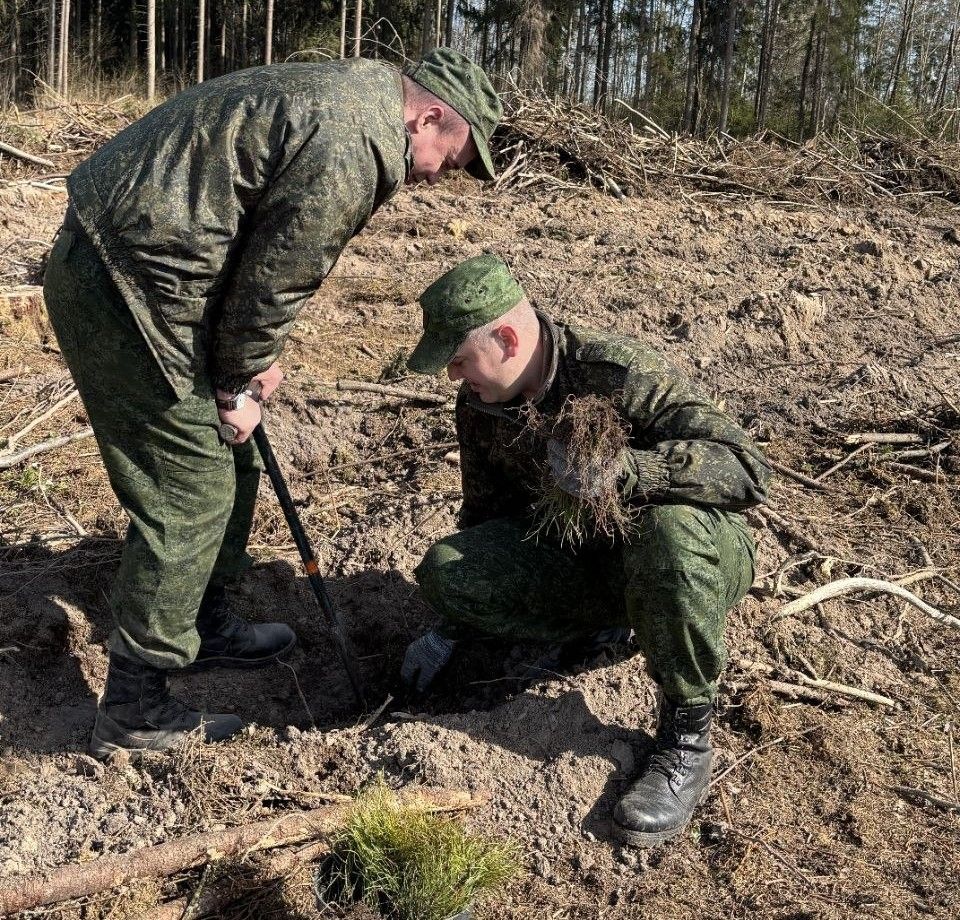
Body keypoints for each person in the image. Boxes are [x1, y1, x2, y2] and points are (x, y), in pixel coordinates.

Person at [42, 49, 502, 759]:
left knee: (236, 456)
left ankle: (202, 623)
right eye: (454, 157)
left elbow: (255, 232)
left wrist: (247, 364)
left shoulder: (356, 98)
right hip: (125, 282)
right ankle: (133, 708)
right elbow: (279, 275)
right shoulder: (356, 142)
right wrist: (237, 379)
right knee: (189, 491)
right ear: (430, 117)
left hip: (147, 265)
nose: (443, 174)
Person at [400, 254, 771, 847]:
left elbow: (748, 469)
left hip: (694, 555)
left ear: (507, 339)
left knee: (667, 531)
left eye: (460, 359)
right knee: (449, 570)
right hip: (590, 563)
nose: (452, 376)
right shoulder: (480, 403)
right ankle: (606, 625)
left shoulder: (616, 372)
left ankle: (687, 735)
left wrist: (629, 472)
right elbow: (487, 516)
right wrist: (452, 624)